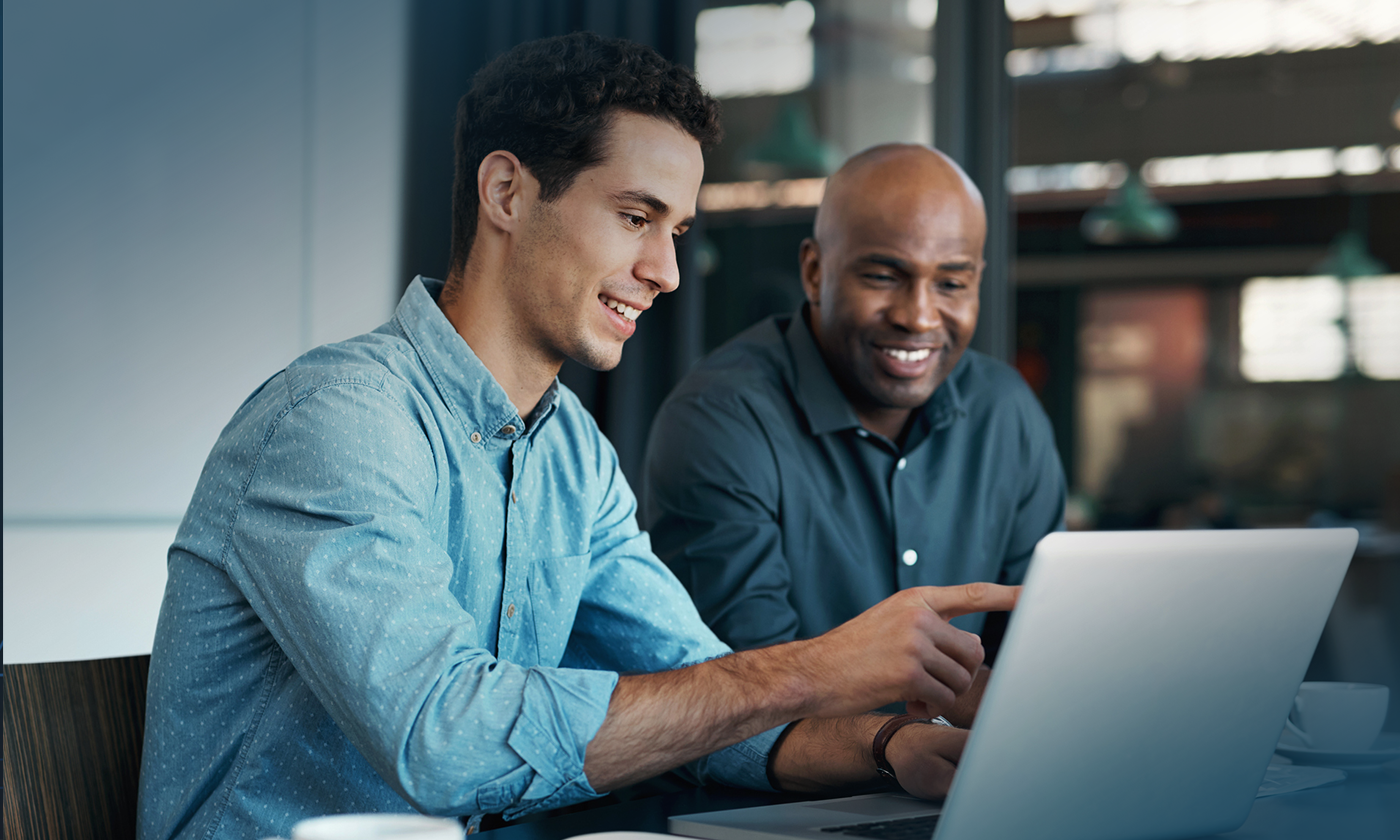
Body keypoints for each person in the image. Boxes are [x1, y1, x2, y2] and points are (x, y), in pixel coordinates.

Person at [137, 34, 1017, 840]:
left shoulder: (572, 456)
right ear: (508, 193)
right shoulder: (337, 422)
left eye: (675, 232)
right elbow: (447, 742)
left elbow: (700, 701)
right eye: (636, 218)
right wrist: (815, 670)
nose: (666, 272)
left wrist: (891, 744)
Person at [642, 145, 1065, 678]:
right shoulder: (719, 419)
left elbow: (1042, 648)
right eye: (885, 277)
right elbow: (744, 692)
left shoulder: (1006, 411)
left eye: (951, 283)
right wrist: (902, 747)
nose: (918, 316)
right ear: (816, 272)